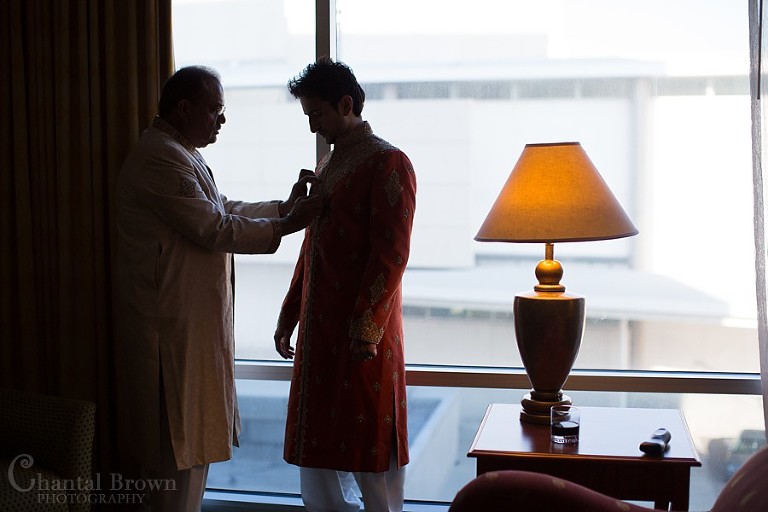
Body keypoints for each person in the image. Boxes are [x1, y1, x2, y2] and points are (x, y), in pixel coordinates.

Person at [115, 65, 323, 511]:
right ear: (184, 108)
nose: (221, 121)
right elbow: (213, 227)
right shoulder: (160, 157)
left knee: (190, 454)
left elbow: (221, 207)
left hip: (187, 330)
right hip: (170, 335)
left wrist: (283, 209)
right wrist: (287, 225)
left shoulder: (179, 152)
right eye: (215, 110)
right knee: (177, 457)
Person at [274, 57, 417, 512]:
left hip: (361, 336)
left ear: (345, 103)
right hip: (321, 333)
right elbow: (310, 247)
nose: (312, 125)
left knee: (367, 446)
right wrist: (288, 315)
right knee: (320, 448)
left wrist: (366, 327)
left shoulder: (387, 162)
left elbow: (391, 255)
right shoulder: (331, 164)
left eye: (316, 115)